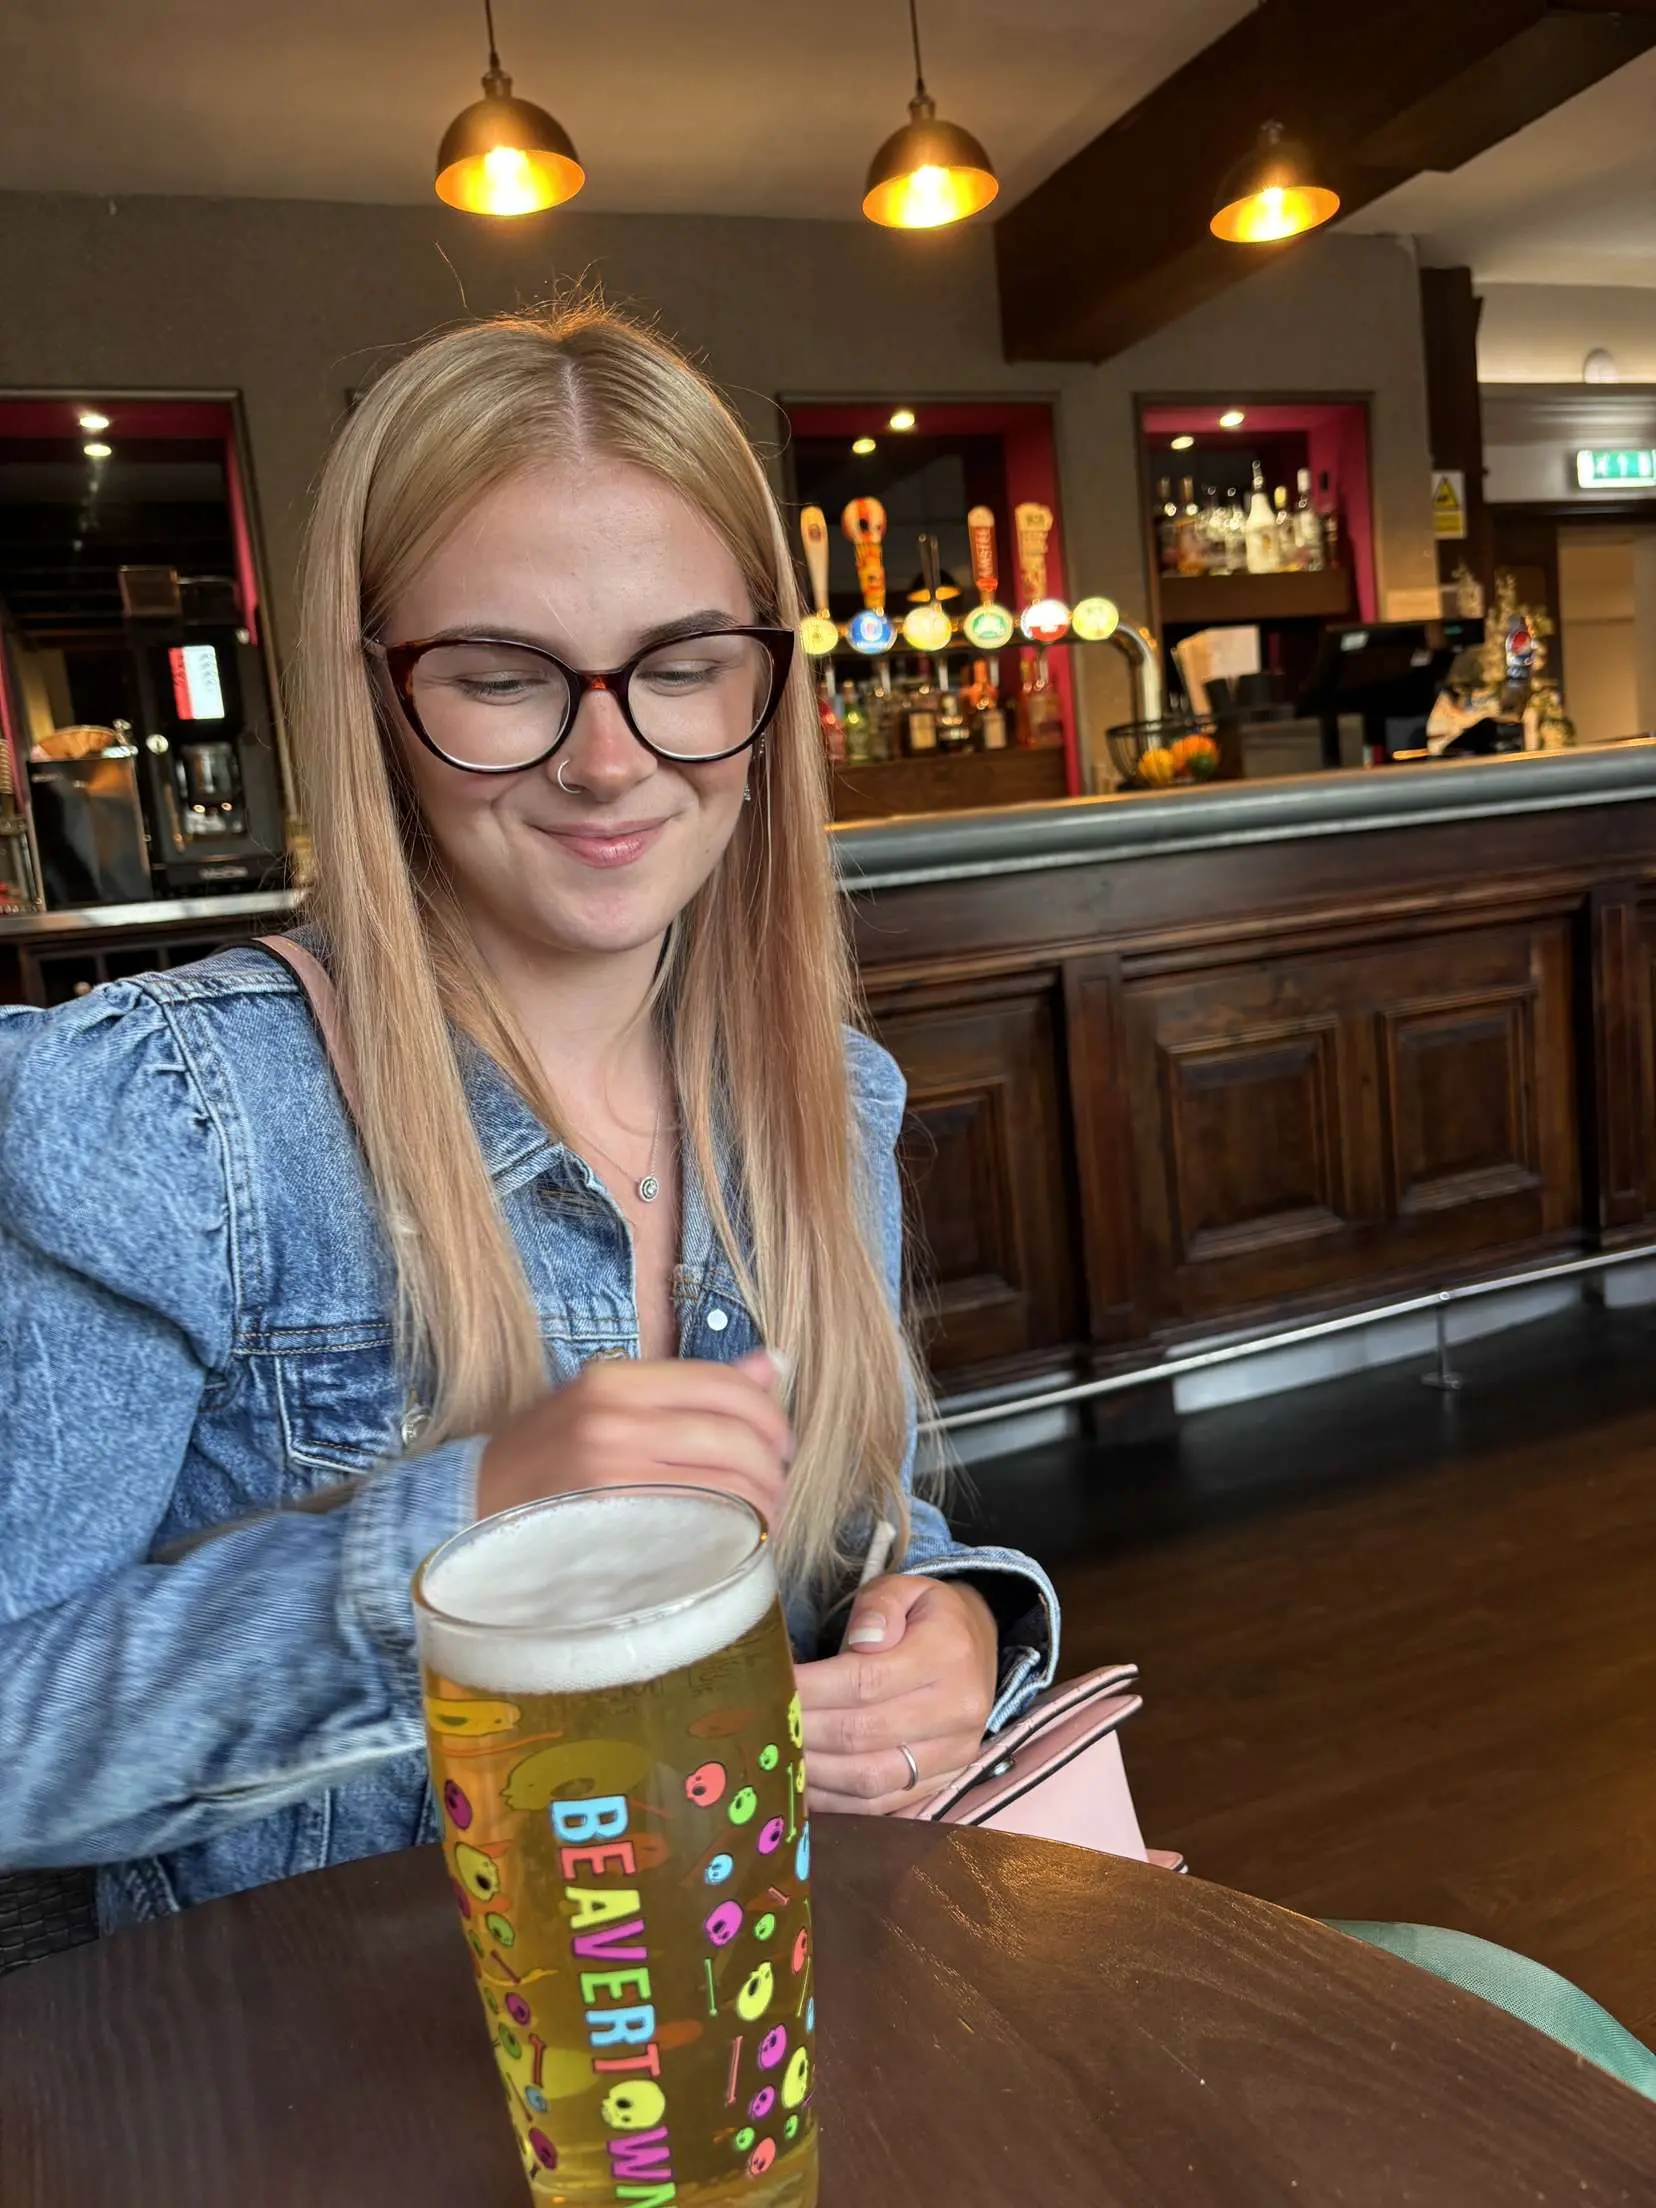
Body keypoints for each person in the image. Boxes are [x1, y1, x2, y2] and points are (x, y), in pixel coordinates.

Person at [0, 304, 1058, 1929]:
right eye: (504, 680)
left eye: (685, 669)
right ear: (374, 697)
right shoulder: (174, 1121)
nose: (611, 761)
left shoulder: (825, 1101)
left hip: (737, 2017)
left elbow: (865, 1529)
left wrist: (951, 1629)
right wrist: (467, 1529)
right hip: (316, 2065)